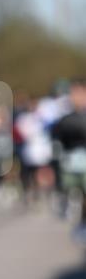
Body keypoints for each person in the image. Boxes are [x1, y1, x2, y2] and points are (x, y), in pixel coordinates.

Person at [51, 79, 86, 241]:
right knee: (74, 192)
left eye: (79, 93)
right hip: (71, 163)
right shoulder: (64, 119)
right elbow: (57, 141)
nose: (76, 97)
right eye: (73, 94)